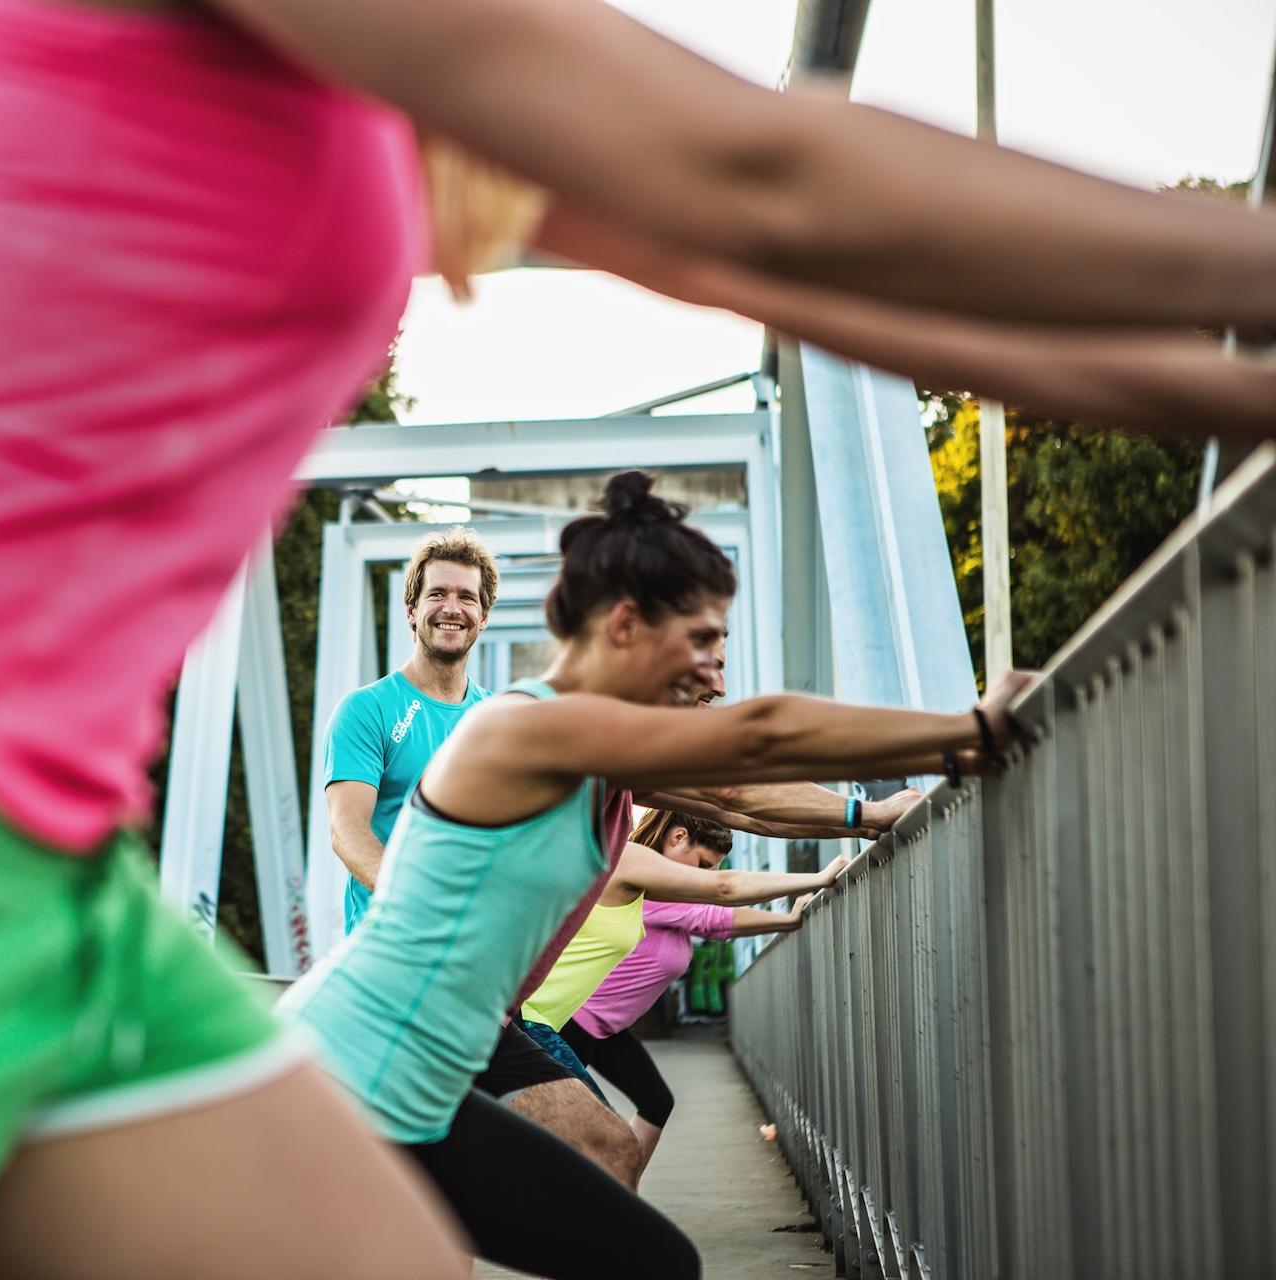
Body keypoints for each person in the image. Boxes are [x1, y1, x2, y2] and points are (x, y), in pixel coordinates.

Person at [0, 0, 1267, 1271]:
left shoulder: (350, 84)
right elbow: (749, 174)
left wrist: (1189, 378)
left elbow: (782, 249)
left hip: (35, 885)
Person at [278, 469, 1032, 1279]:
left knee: (618, 1189)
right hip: (356, 1061)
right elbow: (755, 741)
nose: (715, 673)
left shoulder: (597, 754)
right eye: (703, 641)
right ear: (629, 625)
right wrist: (969, 731)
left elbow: (742, 799)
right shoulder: (528, 730)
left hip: (444, 1052)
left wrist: (863, 815)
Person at [524, 810, 816, 1188]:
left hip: (604, 1027)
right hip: (571, 1024)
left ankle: (616, 1198)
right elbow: (716, 915)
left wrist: (789, 919)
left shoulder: (661, 890)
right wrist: (789, 915)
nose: (705, 876)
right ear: (677, 838)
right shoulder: (644, 884)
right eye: (703, 864)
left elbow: (711, 921)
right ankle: (593, 1209)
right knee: (585, 1137)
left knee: (651, 1105)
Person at [325, 527, 497, 933]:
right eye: (437, 594)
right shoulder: (367, 710)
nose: (452, 608)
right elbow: (346, 830)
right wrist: (416, 906)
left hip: (473, 953)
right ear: (411, 610)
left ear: (484, 617)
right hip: (388, 947)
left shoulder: (498, 718)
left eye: (466, 597)